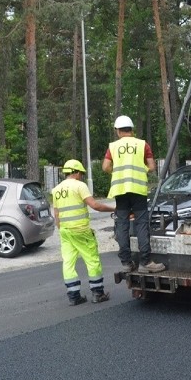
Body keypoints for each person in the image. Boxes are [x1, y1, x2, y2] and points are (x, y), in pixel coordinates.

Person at [102, 115, 166, 274]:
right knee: (142, 224)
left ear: (117, 131)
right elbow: (151, 167)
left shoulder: (113, 146)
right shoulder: (142, 144)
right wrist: (140, 171)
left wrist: (116, 173)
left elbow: (105, 167)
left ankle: (126, 262)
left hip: (120, 190)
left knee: (122, 224)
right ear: (131, 130)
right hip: (137, 190)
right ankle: (145, 262)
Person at [51, 159, 115, 306]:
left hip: (65, 231)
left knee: (68, 262)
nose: (81, 176)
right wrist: (115, 209)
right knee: (92, 260)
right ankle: (97, 293)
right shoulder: (80, 186)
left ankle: (74, 296)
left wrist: (62, 230)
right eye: (81, 173)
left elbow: (57, 215)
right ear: (77, 172)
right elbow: (95, 205)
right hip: (81, 230)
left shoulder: (56, 190)